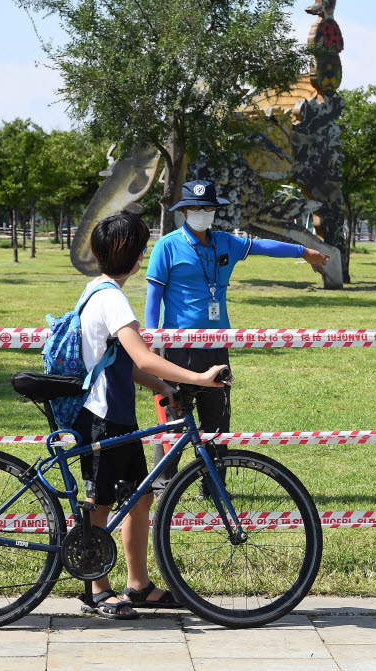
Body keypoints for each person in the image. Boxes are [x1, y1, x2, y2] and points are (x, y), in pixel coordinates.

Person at [74, 211, 227, 619]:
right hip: (102, 415)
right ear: (137, 255)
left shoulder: (97, 289)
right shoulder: (111, 298)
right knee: (100, 503)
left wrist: (164, 387)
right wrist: (199, 376)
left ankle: (138, 585)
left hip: (115, 414)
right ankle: (98, 589)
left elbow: (125, 363)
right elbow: (142, 354)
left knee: (137, 499)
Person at [145, 180, 329, 490]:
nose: (202, 213)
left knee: (218, 422)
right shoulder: (167, 245)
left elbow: (262, 246)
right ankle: (162, 485)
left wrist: (304, 251)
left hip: (217, 346)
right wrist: (151, 348)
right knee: (175, 419)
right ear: (185, 211)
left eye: (208, 208)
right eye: (196, 208)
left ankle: (214, 486)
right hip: (177, 348)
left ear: (215, 211)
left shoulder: (225, 242)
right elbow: (153, 302)